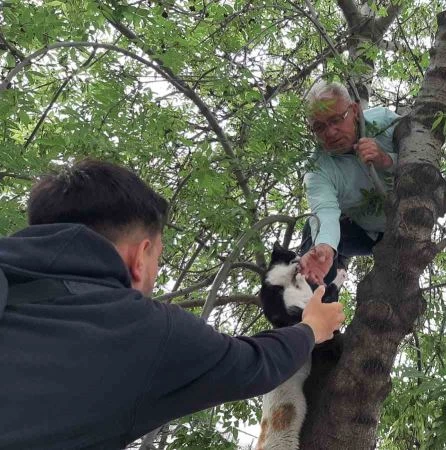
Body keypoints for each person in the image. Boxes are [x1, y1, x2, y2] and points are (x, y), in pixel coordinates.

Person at [0, 159, 344, 449]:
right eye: (158, 258)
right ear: (140, 255)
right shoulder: (141, 330)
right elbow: (253, 364)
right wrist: (312, 328)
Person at [299, 81, 401, 286]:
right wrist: (326, 246)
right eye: (319, 127)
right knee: (313, 233)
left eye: (336, 119)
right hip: (366, 234)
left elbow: (424, 160)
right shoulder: (317, 168)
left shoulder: (383, 121)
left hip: (409, 218)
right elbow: (325, 211)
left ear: (354, 110)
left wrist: (386, 160)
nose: (330, 132)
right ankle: (318, 296)